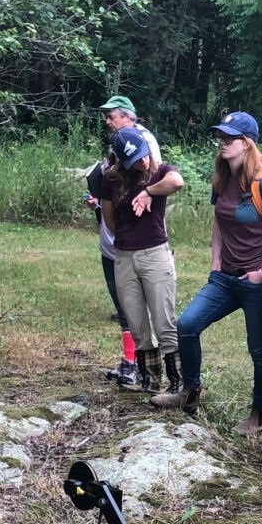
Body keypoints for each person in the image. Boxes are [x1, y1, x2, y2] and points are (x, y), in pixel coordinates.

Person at [153, 111, 262, 436]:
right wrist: (216, 262)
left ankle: (258, 417)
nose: (223, 142)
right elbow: (219, 220)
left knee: (258, 348)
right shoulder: (222, 177)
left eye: (230, 138)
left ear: (247, 144)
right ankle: (189, 394)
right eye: (221, 136)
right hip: (225, 276)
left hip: (259, 280)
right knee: (187, 325)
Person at [101, 130, 186, 397]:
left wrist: (148, 192)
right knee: (137, 323)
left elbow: (177, 182)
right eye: (134, 161)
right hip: (124, 256)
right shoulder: (111, 179)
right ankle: (149, 380)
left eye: (142, 155)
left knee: (164, 320)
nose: (142, 163)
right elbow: (110, 219)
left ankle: (178, 381)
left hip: (155, 254)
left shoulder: (161, 172)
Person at [84, 154, 139, 387]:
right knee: (122, 308)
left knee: (138, 309)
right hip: (109, 251)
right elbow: (105, 218)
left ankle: (143, 365)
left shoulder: (142, 178)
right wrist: (95, 205)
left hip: (133, 251)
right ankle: (130, 362)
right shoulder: (105, 176)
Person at [99, 95, 160, 161]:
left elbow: (156, 168)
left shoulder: (144, 138)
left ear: (127, 117)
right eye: (106, 118)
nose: (107, 122)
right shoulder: (117, 137)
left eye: (111, 117)